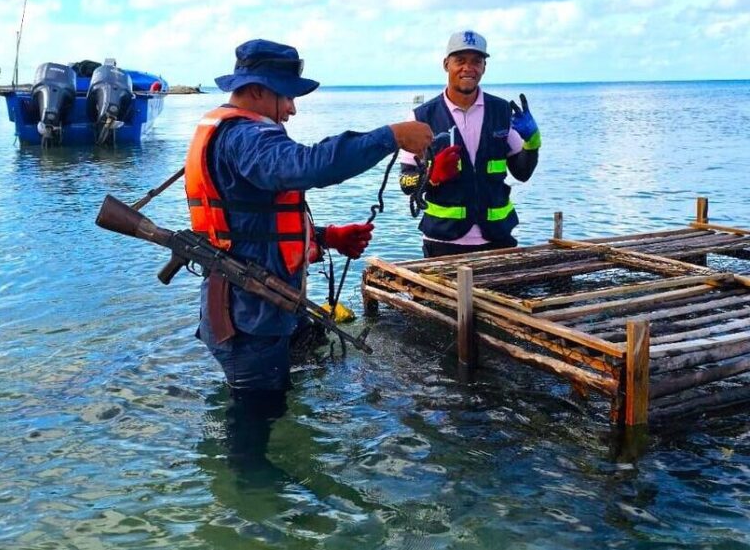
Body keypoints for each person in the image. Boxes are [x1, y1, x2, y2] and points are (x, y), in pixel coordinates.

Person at [184, 38, 432, 400]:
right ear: (256, 91)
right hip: (250, 322)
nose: (292, 109)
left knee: (279, 407)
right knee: (253, 430)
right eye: (286, 96)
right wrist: (390, 136)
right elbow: (311, 165)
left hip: (259, 312)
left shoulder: (234, 135)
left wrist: (327, 237)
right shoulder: (248, 138)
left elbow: (251, 227)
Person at [398, 30, 541, 258]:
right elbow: (406, 183)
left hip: (498, 239)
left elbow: (522, 172)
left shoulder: (502, 111)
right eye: (460, 61)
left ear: (484, 67)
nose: (468, 68)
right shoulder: (420, 117)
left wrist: (532, 142)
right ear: (446, 64)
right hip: (443, 242)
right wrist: (432, 175)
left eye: (476, 61)